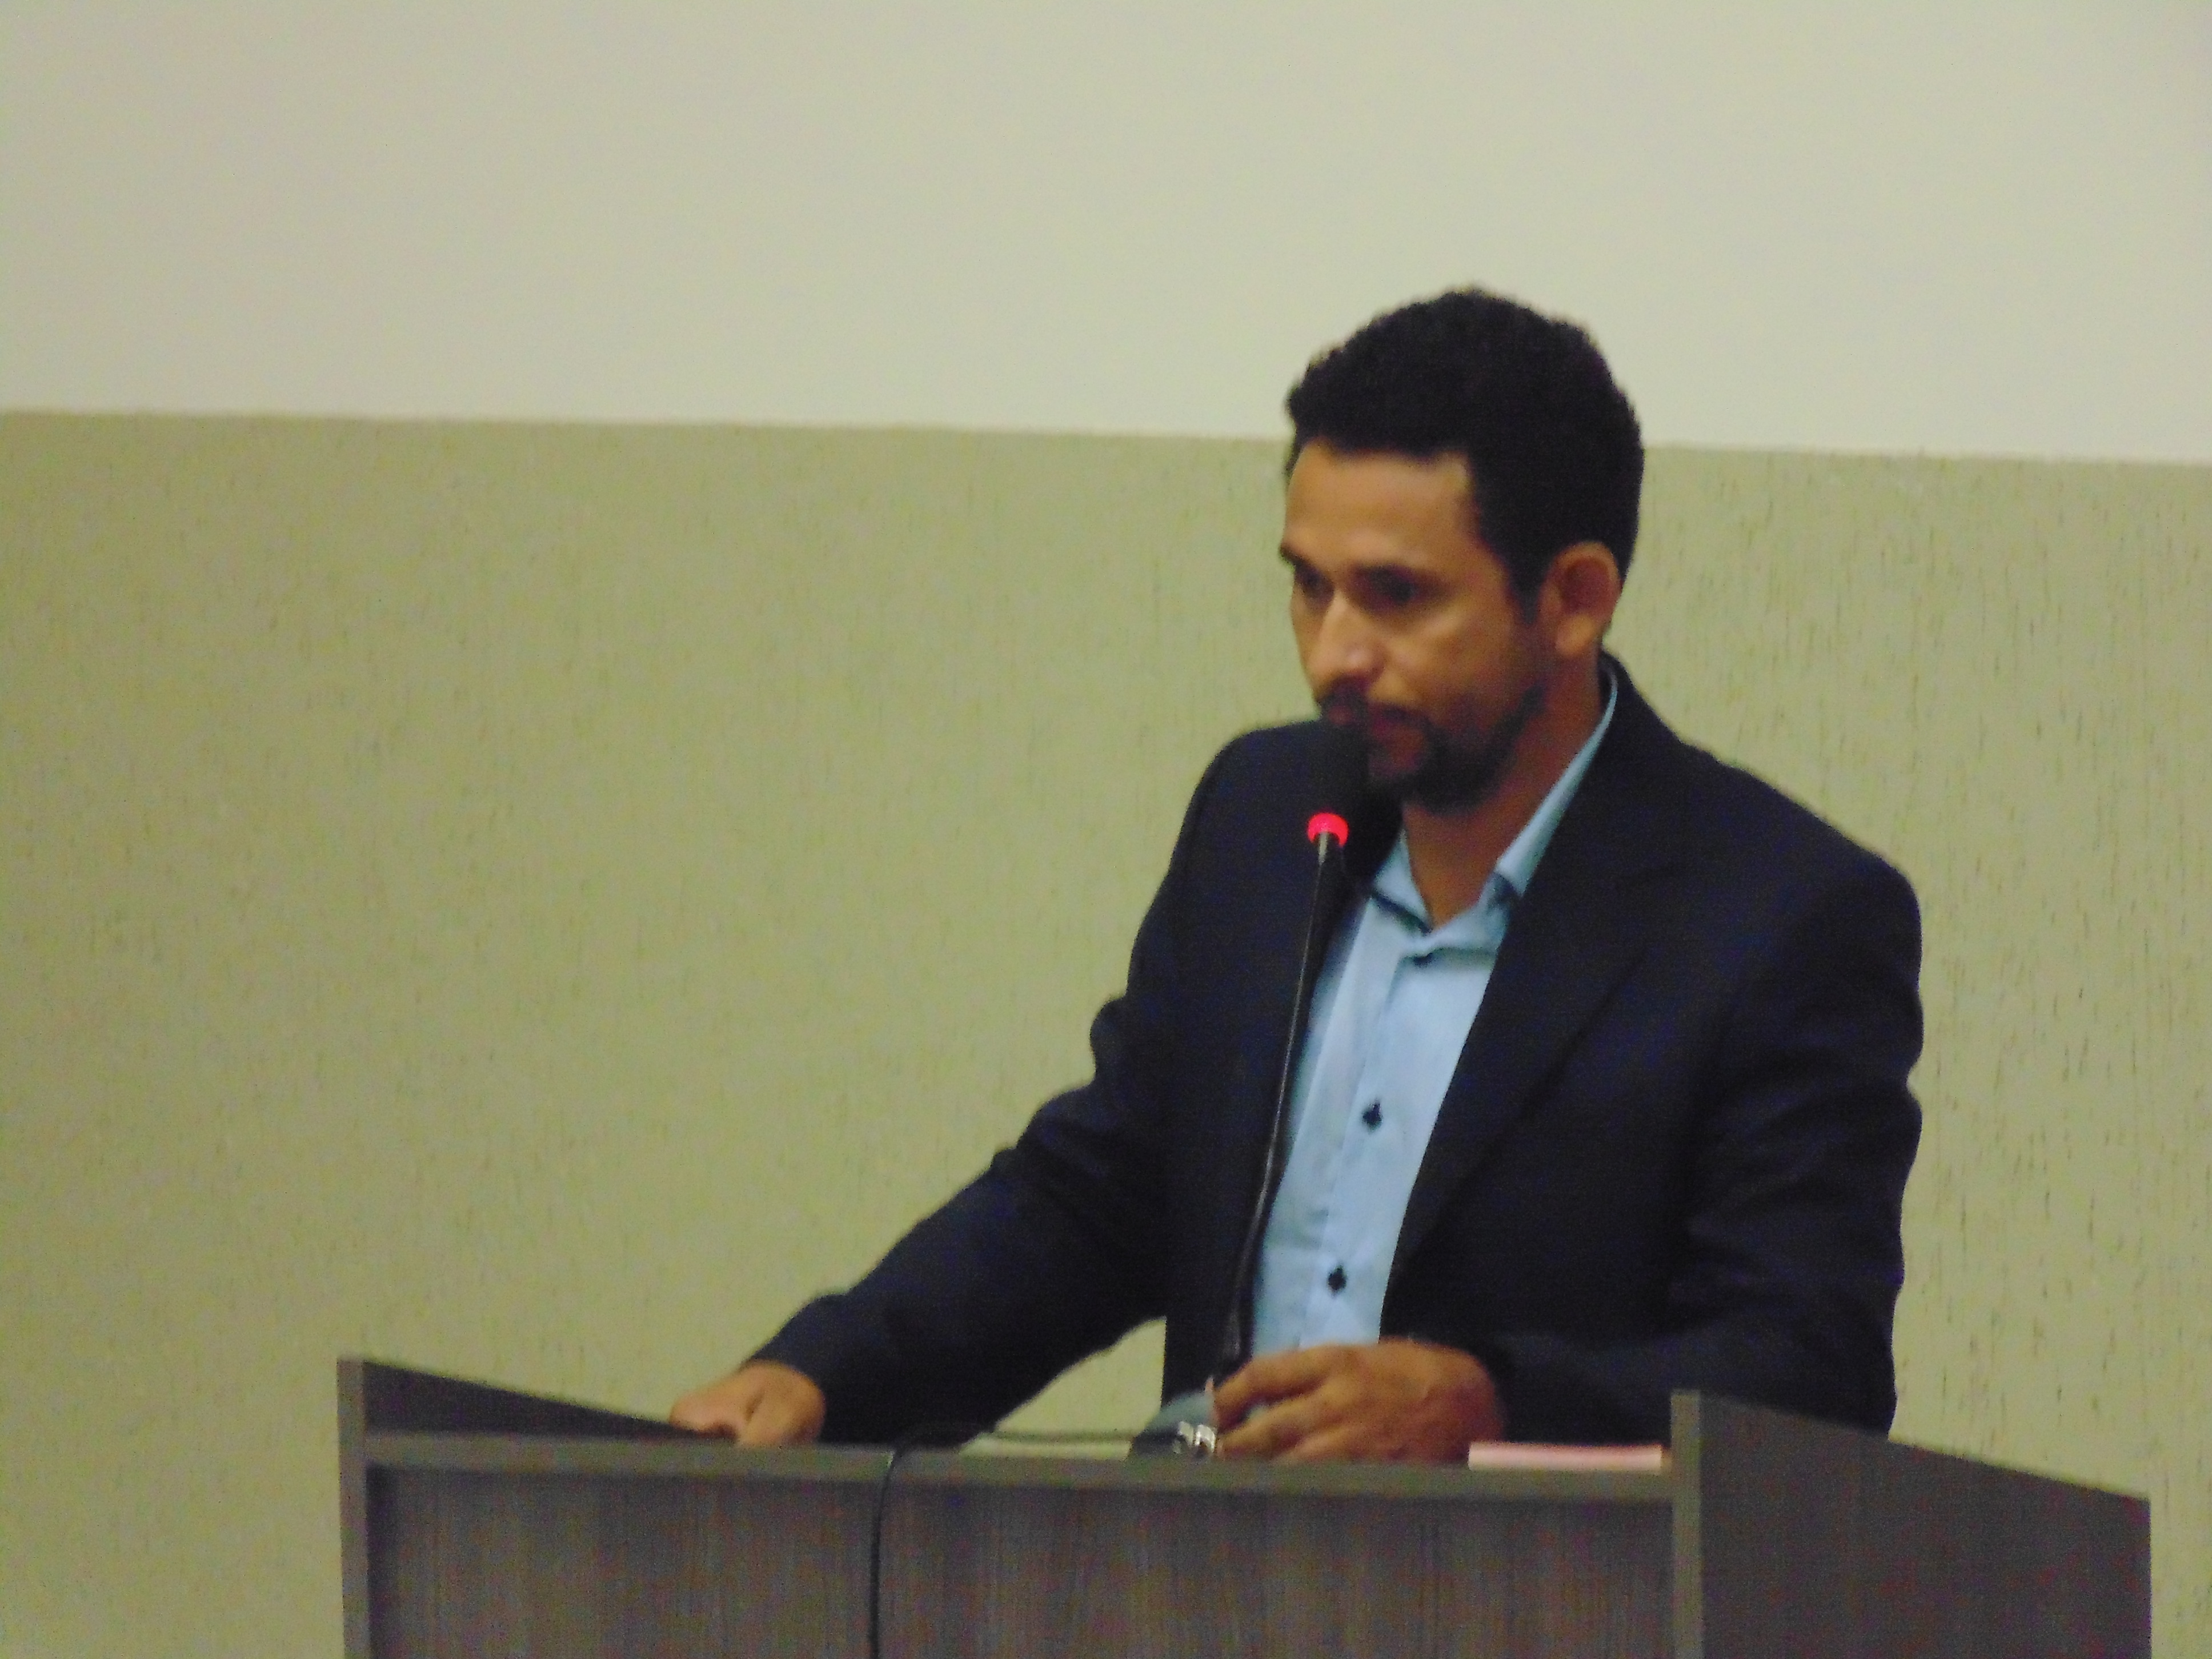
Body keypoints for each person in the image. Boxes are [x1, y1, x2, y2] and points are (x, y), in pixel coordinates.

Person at [672, 288, 1922, 1461]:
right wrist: (828, 1373)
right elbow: (1101, 1196)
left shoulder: (1777, 917)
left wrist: (1489, 1405)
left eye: (1396, 597)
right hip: (1219, 1577)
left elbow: (1806, 1366)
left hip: (1542, 1588)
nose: (1334, 657)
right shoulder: (1265, 820)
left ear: (1573, 599)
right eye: (1309, 588)